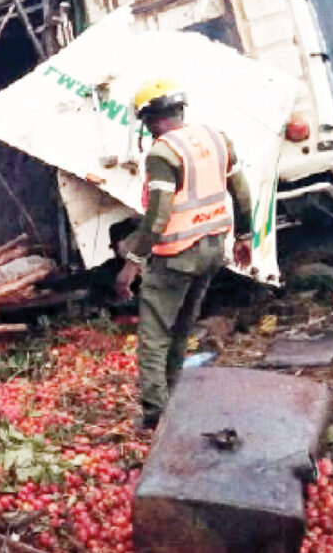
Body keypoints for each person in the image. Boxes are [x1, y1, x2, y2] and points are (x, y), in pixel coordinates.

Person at [114, 79, 254, 430]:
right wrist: (245, 236)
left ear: (150, 119)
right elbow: (242, 191)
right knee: (182, 328)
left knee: (154, 337)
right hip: (211, 250)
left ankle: (155, 415)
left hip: (176, 256)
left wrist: (133, 263)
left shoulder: (163, 153)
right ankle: (172, 398)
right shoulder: (215, 137)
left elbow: (158, 215)